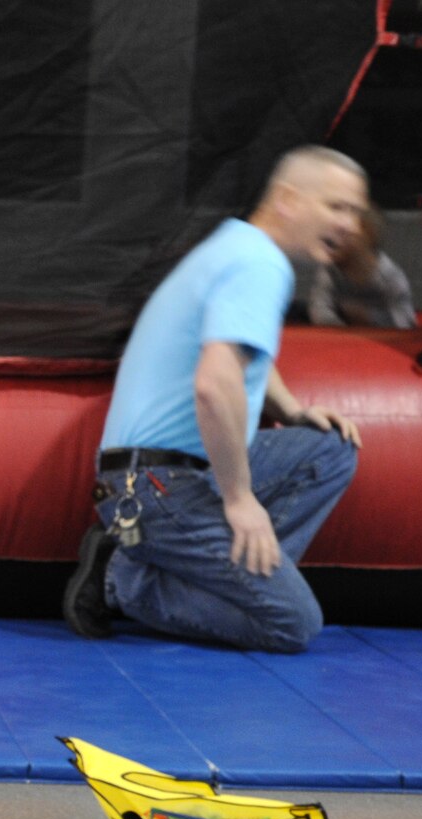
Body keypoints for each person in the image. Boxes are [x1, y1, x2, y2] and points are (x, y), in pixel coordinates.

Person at [64, 146, 368, 654]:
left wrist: (292, 411)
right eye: (336, 207)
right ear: (289, 201)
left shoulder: (237, 246)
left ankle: (220, 576)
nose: (350, 225)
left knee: (329, 447)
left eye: (355, 212)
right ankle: (125, 578)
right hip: (156, 487)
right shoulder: (260, 265)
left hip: (159, 475)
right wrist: (239, 499)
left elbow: (238, 351)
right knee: (293, 624)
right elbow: (213, 385)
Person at [291, 205, 415, 329]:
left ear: (367, 236)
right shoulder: (331, 271)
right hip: (343, 335)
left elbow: (406, 319)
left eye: (344, 233)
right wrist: (342, 331)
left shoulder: (389, 275)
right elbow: (319, 308)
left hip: (378, 339)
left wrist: (370, 317)